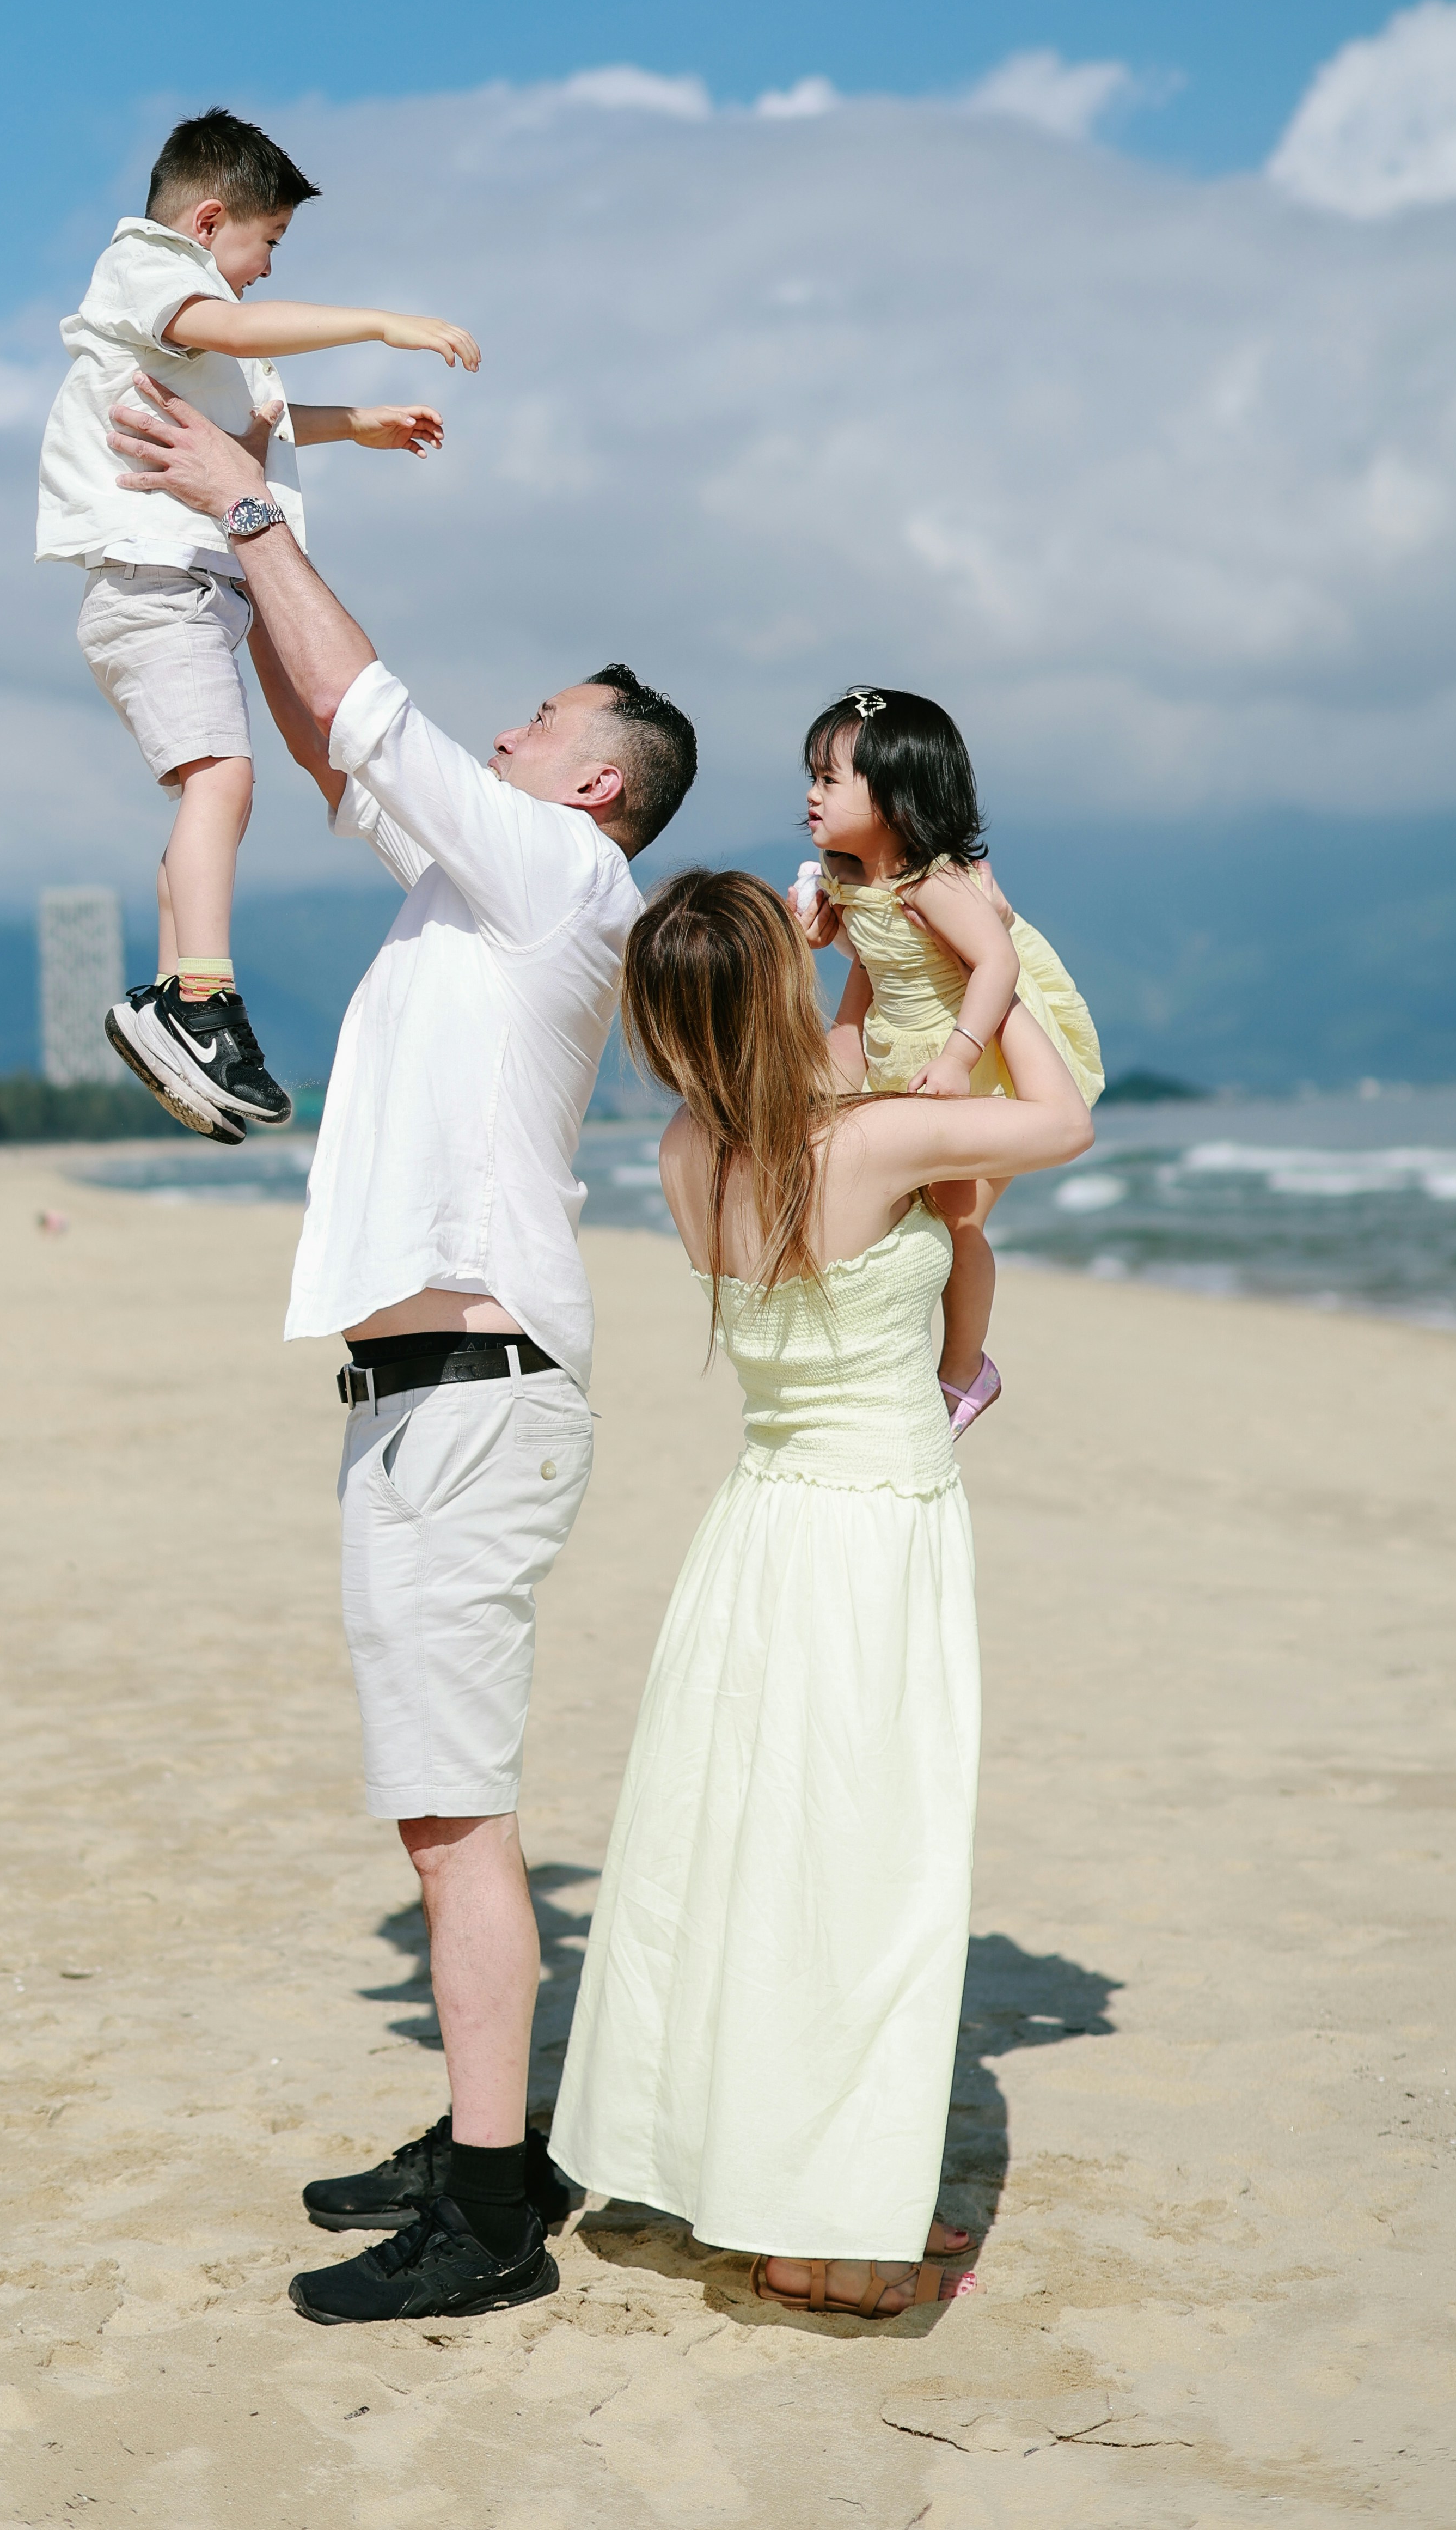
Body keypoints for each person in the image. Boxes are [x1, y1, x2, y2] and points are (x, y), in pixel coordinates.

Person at [104, 369, 698, 2326]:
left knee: (458, 1819)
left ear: (593, 781)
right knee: (437, 1806)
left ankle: (497, 2208)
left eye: (536, 724)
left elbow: (369, 712)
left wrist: (257, 511)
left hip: (474, 1401)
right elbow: (332, 729)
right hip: (422, 1401)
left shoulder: (563, 876)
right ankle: (469, 2139)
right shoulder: (479, 877)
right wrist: (237, 546)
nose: (503, 730)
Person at [548, 868, 1094, 2315]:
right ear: (769, 986)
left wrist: (810, 963)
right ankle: (826, 2231)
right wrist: (993, 957)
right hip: (871, 1534)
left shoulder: (685, 1145)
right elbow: (1060, 1119)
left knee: (746, 1867)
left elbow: (808, 1061)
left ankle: (752, 2179)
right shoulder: (867, 1140)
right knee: (863, 1877)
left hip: (758, 1530)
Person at [39, 106, 480, 1144]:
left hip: (192, 588)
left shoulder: (196, 320)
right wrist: (383, 323)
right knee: (221, 783)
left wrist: (354, 424)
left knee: (216, 794)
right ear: (207, 219)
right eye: (268, 242)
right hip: (155, 584)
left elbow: (262, 412)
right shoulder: (149, 269)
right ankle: (200, 999)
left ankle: (171, 1005)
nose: (269, 270)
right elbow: (233, 331)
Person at [791, 686, 1103, 1433]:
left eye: (831, 780)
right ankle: (898, 1356)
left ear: (897, 802)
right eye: (813, 775)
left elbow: (995, 960)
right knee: (904, 1213)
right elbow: (875, 972)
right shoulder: (854, 879)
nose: (811, 794)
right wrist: (823, 934)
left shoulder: (934, 881)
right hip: (904, 1059)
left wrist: (962, 1056)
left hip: (973, 1056)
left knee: (959, 1219)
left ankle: (966, 1368)